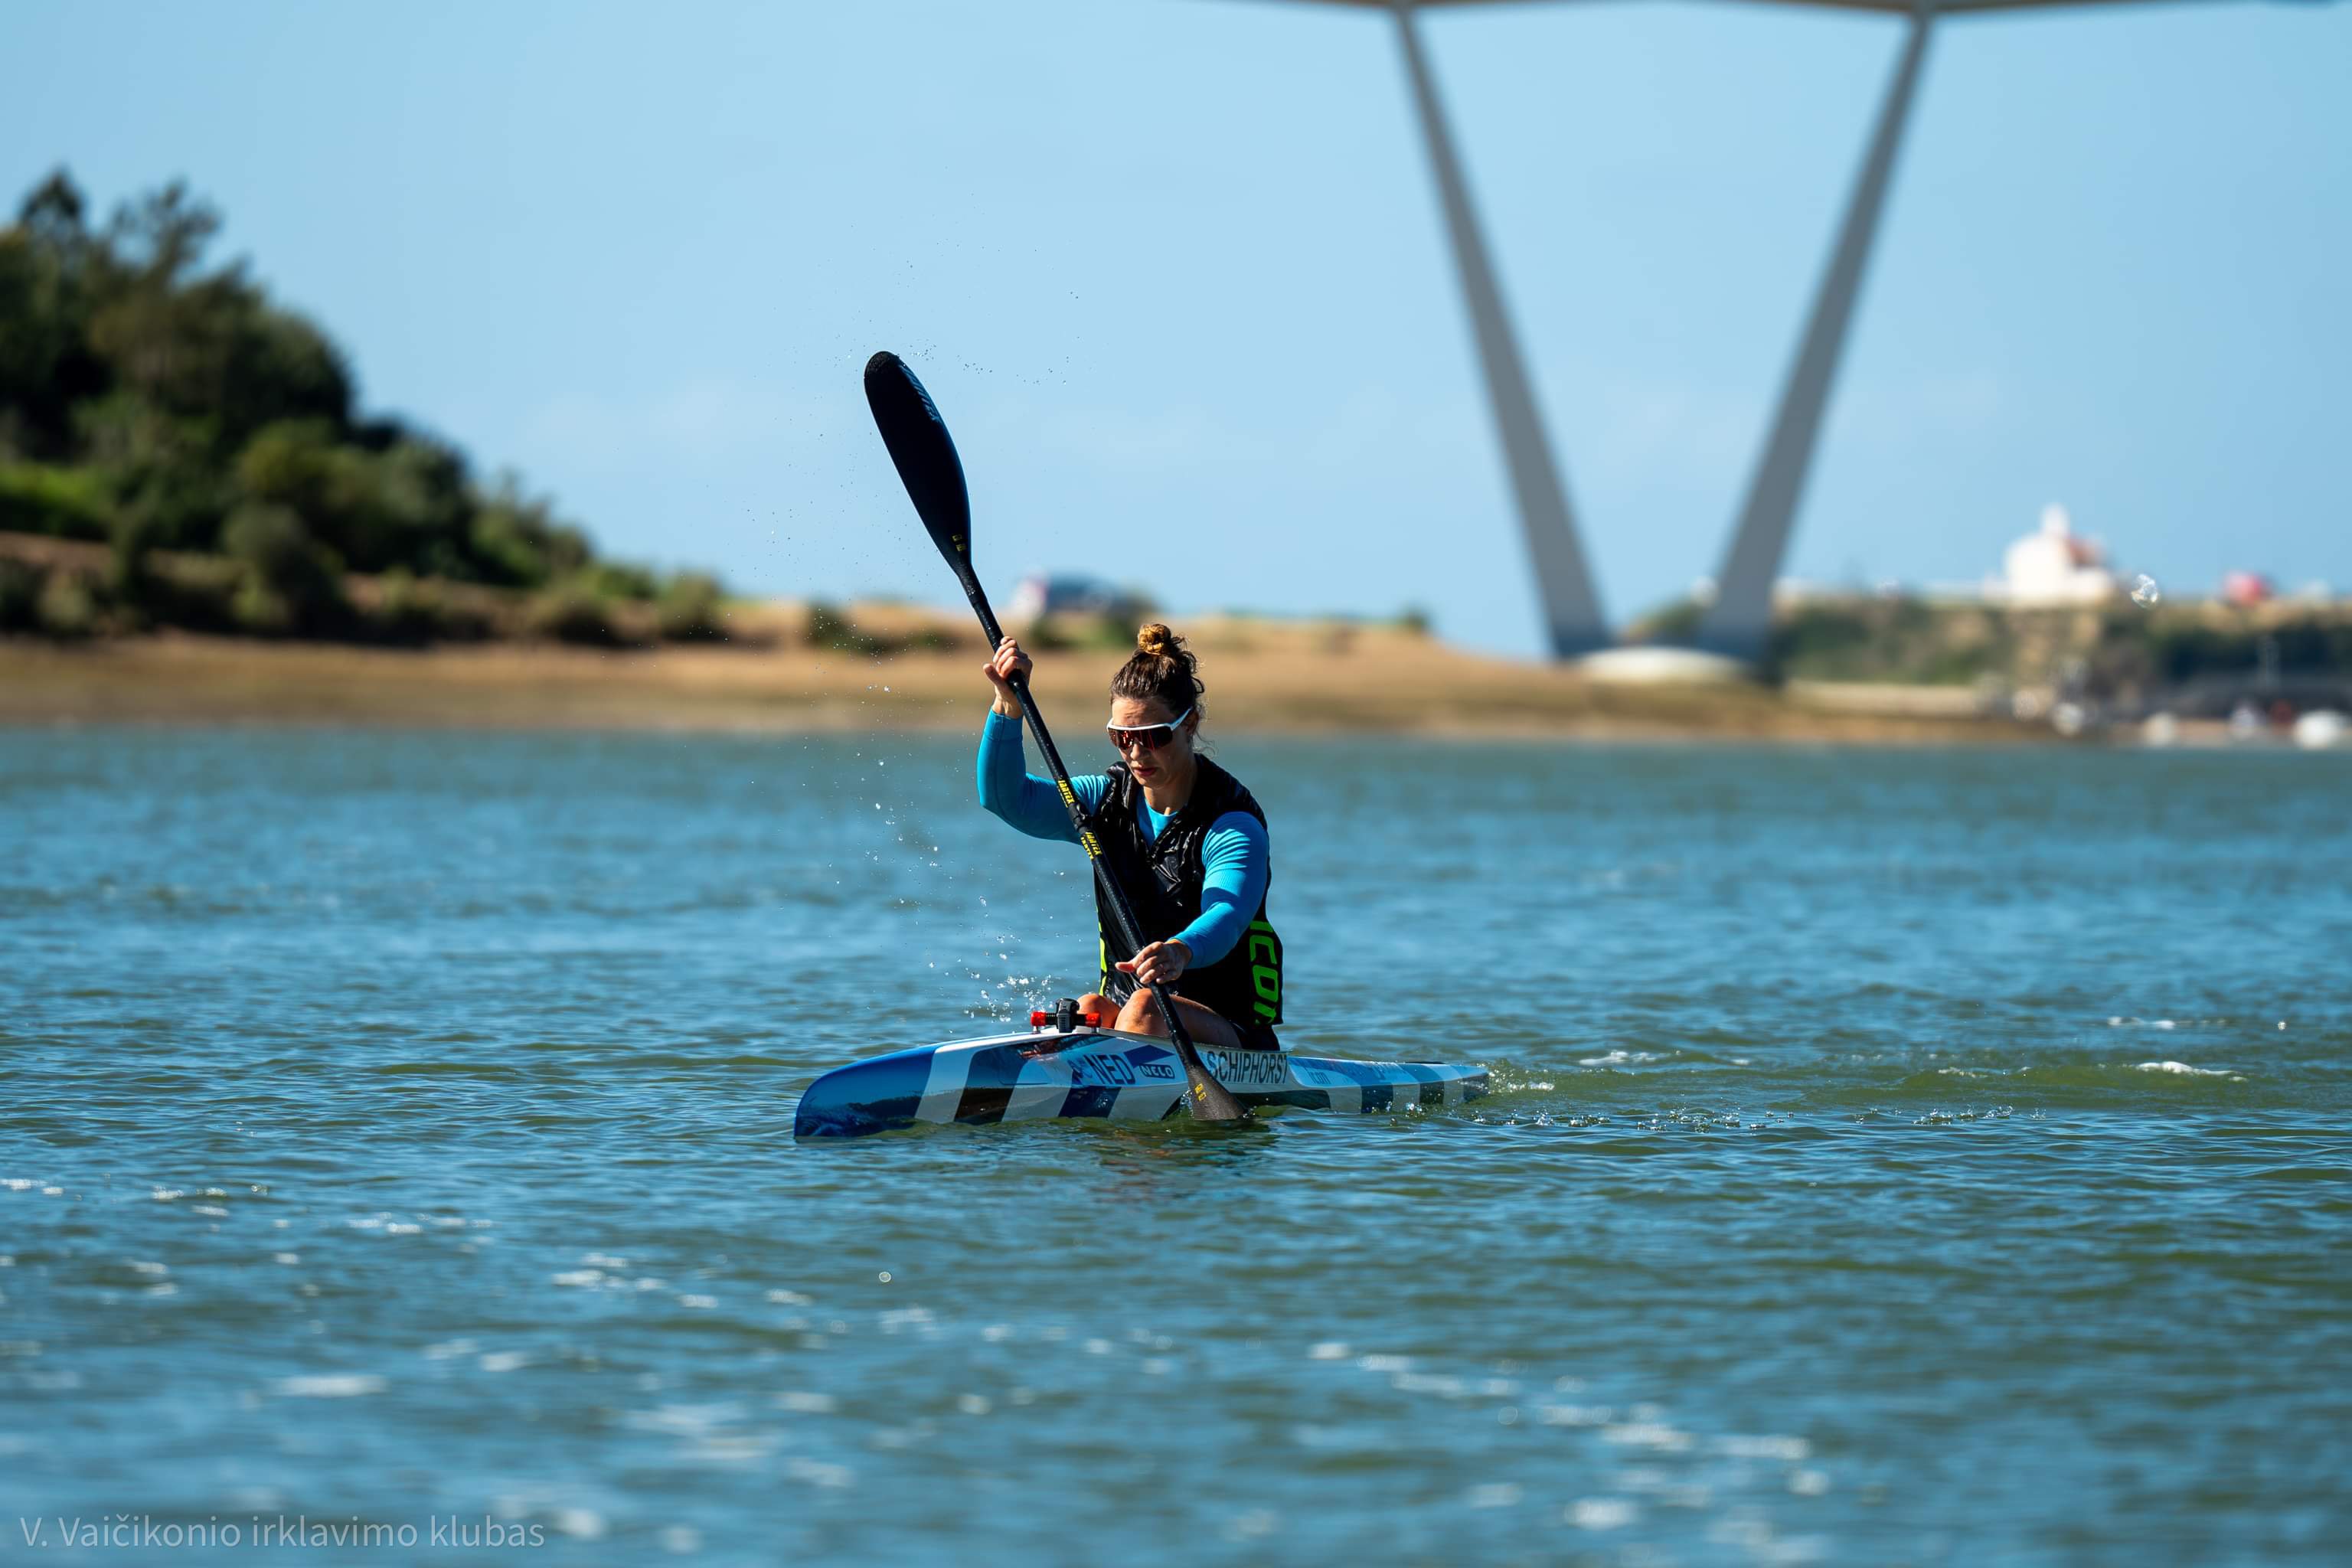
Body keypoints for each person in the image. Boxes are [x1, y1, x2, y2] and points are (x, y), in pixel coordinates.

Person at [978, 622, 1285, 1051]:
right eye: (1122, 738)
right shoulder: (1103, 802)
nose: (1137, 754)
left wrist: (1180, 951)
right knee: (1085, 1010)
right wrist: (1007, 706)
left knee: (1144, 1007)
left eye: (1154, 737)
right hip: (1131, 1014)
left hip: (1229, 1032)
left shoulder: (1232, 825)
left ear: (1189, 724)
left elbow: (1228, 917)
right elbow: (1005, 798)